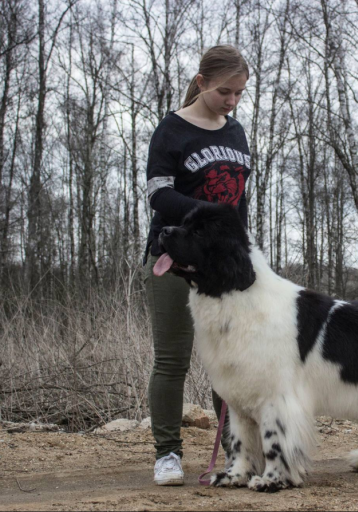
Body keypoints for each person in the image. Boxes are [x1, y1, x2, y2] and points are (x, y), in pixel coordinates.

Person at [142, 45, 251, 486]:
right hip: (173, 262)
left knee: (228, 361)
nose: (232, 101)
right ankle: (167, 454)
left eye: (240, 93)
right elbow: (159, 196)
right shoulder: (170, 130)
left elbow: (240, 202)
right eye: (225, 91)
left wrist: (241, 248)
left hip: (222, 267)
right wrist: (210, 216)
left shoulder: (236, 132)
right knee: (172, 361)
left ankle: (236, 452)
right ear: (202, 82)